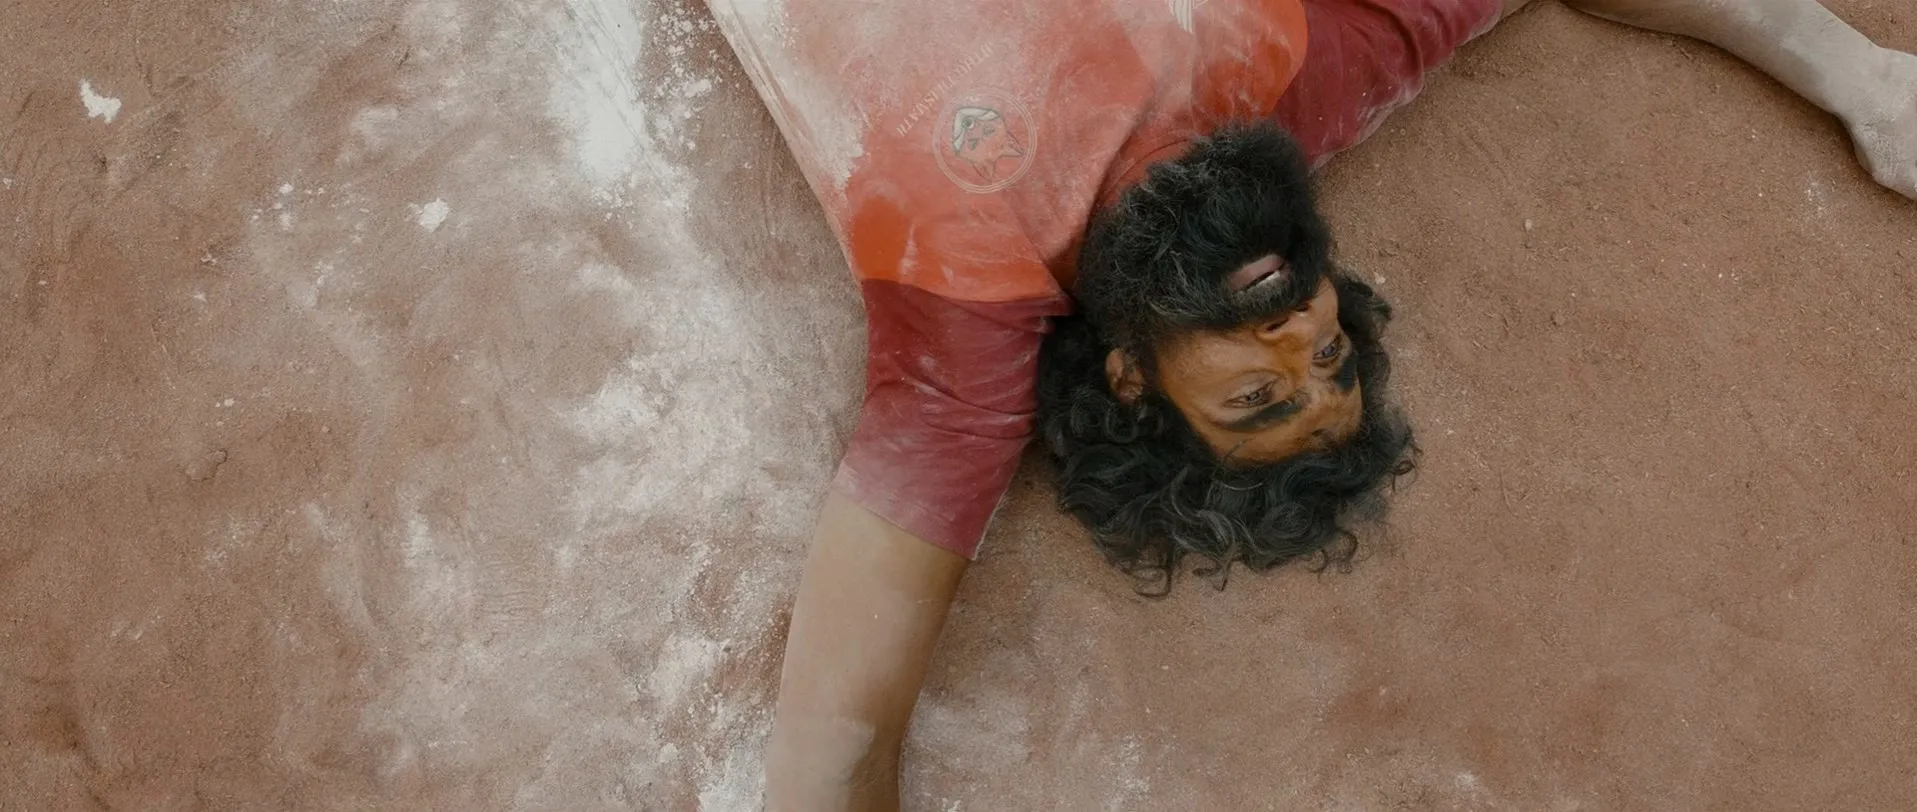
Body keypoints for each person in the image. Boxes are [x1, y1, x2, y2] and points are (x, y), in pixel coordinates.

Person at [704, 0, 1917, 806]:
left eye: (1256, 393)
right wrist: (1865, 81)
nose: (1295, 337)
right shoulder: (1307, 77)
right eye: (1332, 354)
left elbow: (837, 759)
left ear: (1132, 376)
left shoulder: (965, 321)